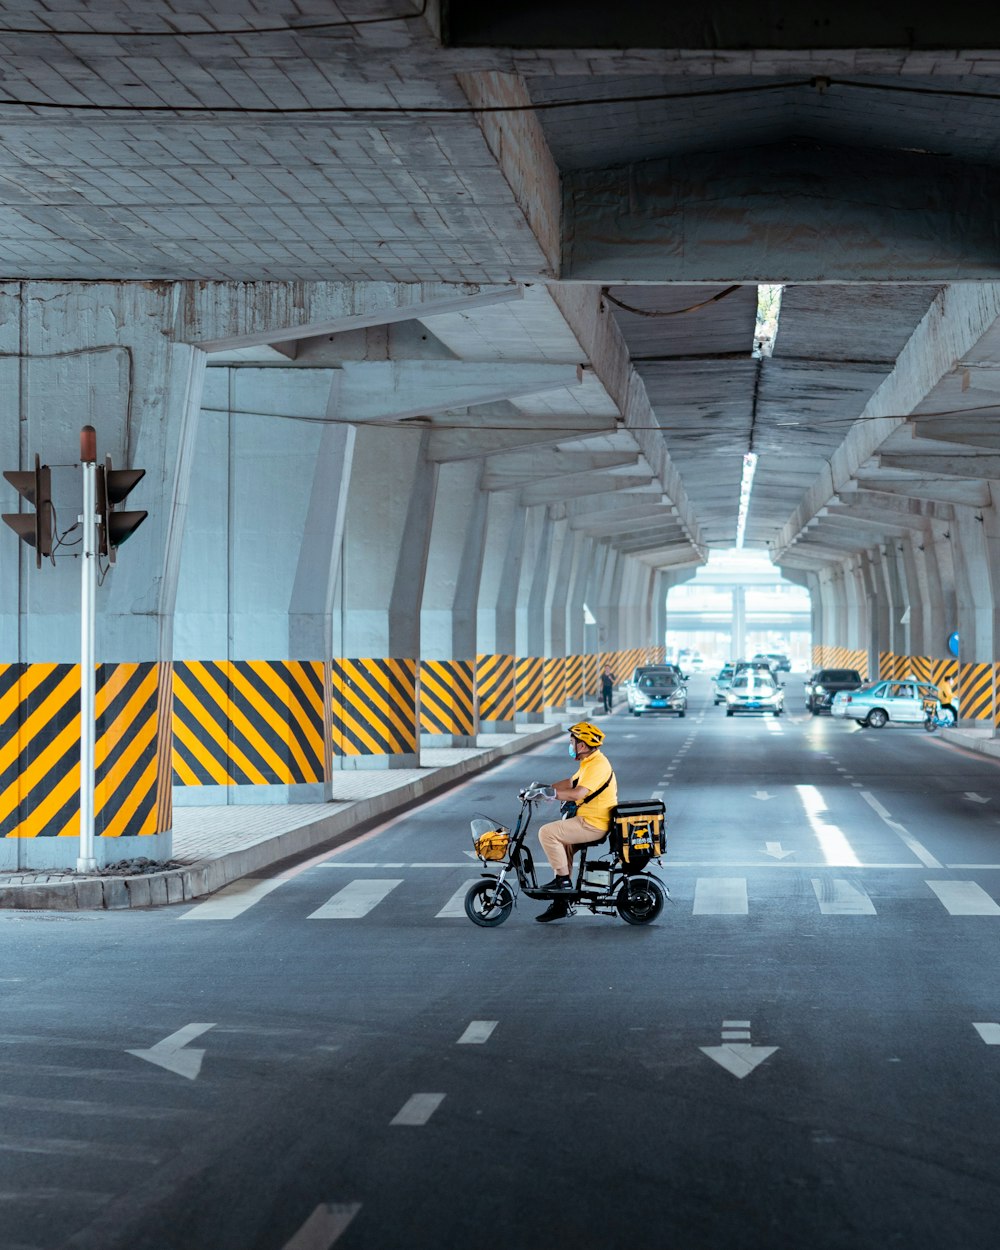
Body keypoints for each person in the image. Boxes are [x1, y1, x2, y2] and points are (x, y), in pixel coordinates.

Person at [534, 721, 618, 923]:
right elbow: (571, 783)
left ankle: (562, 882)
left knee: (547, 833)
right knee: (564, 845)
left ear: (582, 745)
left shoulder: (598, 765)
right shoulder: (590, 762)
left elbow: (577, 793)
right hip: (588, 819)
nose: (570, 746)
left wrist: (551, 795)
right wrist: (540, 789)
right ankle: (561, 903)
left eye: (572, 742)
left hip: (593, 823)